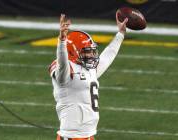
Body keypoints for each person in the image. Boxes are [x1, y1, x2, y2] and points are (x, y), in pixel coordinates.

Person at [49, 11, 128, 140]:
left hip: (89, 135)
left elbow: (108, 56)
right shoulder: (65, 72)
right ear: (72, 52)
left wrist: (120, 34)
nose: (91, 55)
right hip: (71, 137)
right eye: (87, 52)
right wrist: (62, 41)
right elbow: (62, 63)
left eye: (91, 52)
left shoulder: (89, 68)